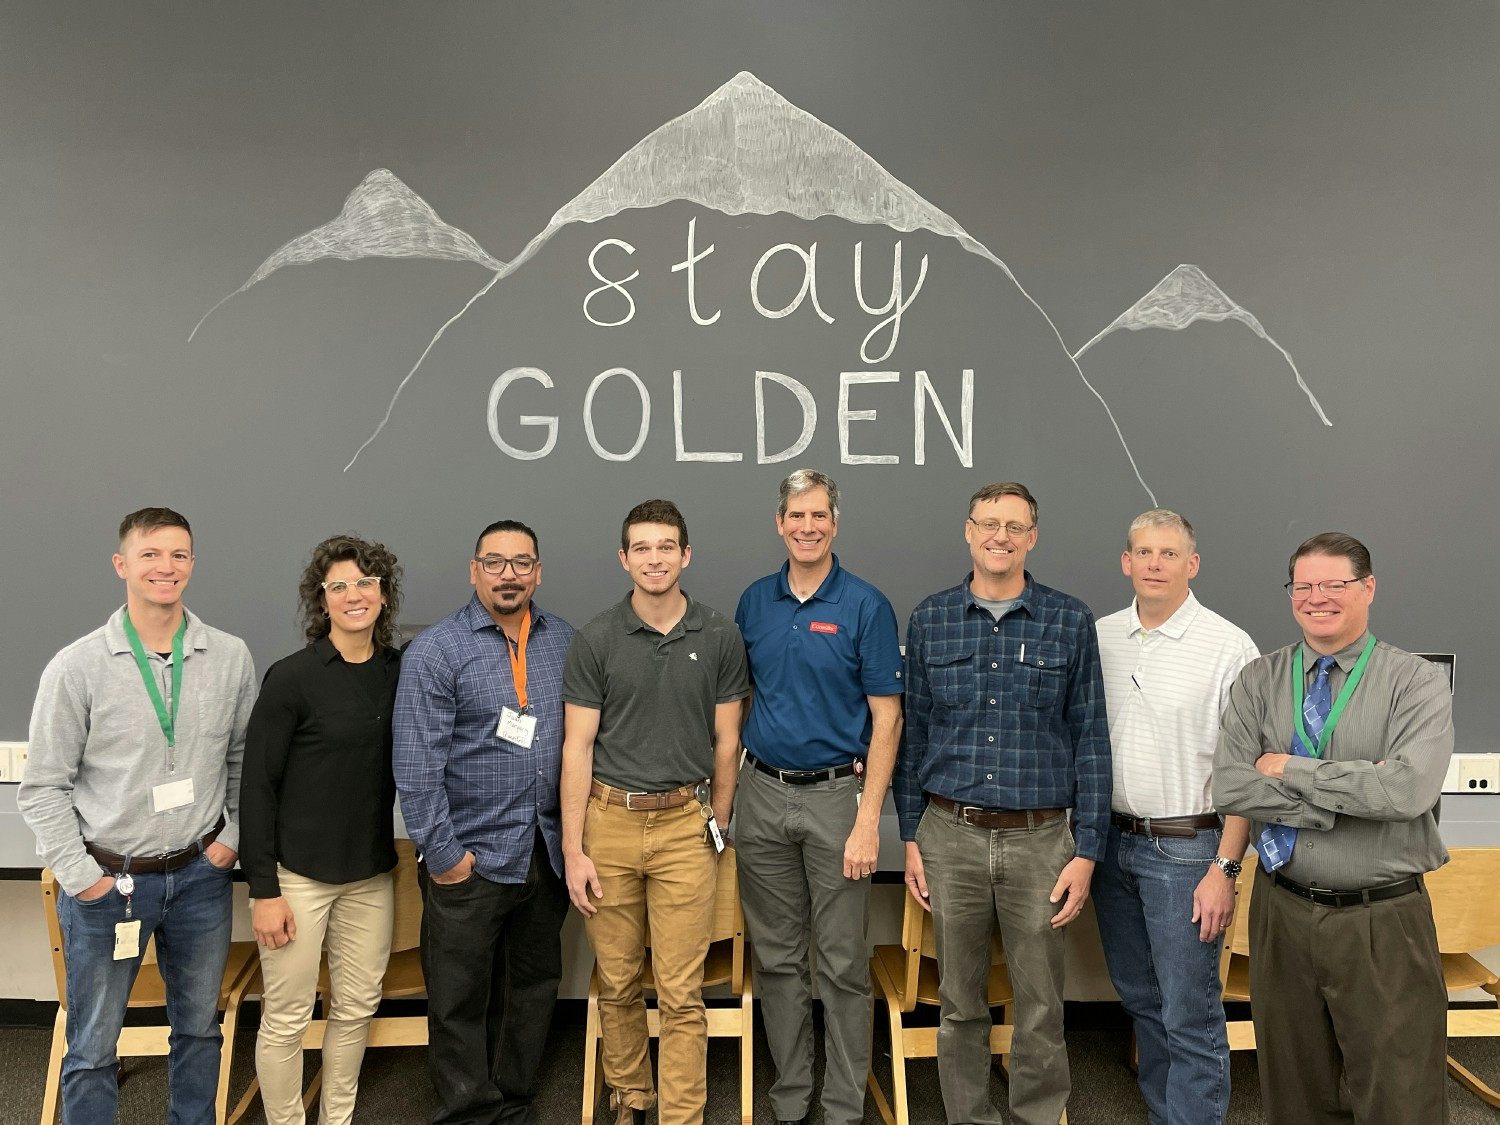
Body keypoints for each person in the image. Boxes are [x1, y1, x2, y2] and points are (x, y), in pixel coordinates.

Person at [19, 507, 256, 1124]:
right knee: (94, 1047)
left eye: (179, 555)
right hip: (110, 886)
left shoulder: (229, 657)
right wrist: (83, 879)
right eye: (151, 554)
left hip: (201, 878)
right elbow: (43, 785)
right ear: (122, 564)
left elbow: (244, 762)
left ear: (192, 565)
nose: (166, 567)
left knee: (199, 1031)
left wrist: (231, 839)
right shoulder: (77, 667)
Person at [1213, 533, 1453, 1125]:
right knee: (1293, 1094)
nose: (1317, 597)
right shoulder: (1258, 680)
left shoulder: (1415, 682)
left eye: (1334, 584)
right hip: (1282, 912)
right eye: (1304, 586)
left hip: (1381, 922)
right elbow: (1230, 789)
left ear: (1368, 588)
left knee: (1400, 1097)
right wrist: (1343, 794)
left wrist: (1293, 768)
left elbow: (1406, 791)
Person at [894, 481, 1110, 1125]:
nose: (1000, 536)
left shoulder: (1069, 619)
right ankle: (970, 1117)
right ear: (968, 530)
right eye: (989, 523)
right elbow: (914, 737)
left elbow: (1090, 736)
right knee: (959, 999)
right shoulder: (930, 618)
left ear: (1032, 538)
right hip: (947, 835)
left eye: (1014, 527)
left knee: (1041, 1001)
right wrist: (910, 835)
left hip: (1043, 841)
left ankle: (1038, 1115)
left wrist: (1089, 849)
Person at [560, 499, 749, 1125]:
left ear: (685, 554)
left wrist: (715, 823)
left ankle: (682, 1114)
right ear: (624, 559)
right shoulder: (596, 638)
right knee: (616, 983)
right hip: (608, 823)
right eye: (641, 548)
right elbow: (578, 747)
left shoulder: (719, 634)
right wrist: (573, 848)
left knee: (680, 991)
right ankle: (632, 1096)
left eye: (666, 546)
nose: (654, 558)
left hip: (684, 826)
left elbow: (729, 743)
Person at [733, 469, 903, 1125]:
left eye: (819, 515)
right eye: (796, 515)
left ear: (836, 522)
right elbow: (744, 699)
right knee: (776, 958)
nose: (808, 526)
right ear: (780, 523)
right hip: (763, 794)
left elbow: (887, 719)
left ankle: (840, 1103)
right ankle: (790, 1092)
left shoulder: (865, 605)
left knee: (840, 964)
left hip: (839, 800)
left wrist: (868, 822)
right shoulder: (754, 601)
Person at [394, 520, 574, 1125]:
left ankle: (515, 1100)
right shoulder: (437, 650)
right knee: (459, 999)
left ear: (538, 572)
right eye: (494, 563)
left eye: (521, 563)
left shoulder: (564, 642)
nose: (509, 575)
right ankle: (469, 1112)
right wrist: (444, 857)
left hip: (543, 853)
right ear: (474, 571)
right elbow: (416, 765)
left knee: (531, 987)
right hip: (468, 857)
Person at [1092, 510, 1259, 1125]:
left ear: (1192, 565)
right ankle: (1169, 1113)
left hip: (1190, 851)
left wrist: (1225, 866)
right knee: (1139, 998)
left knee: (1189, 1008)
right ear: (1126, 562)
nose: (1154, 564)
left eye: (1168, 554)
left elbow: (1244, 770)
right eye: (1143, 552)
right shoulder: (1101, 636)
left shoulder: (1228, 645)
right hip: (1111, 844)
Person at [239, 534, 404, 1125]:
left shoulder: (399, 672)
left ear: (383, 595)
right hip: (296, 878)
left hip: (369, 876)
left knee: (357, 1008)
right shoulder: (292, 678)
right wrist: (264, 890)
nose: (354, 595)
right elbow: (257, 788)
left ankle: (337, 1118)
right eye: (340, 586)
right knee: (286, 1017)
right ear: (322, 599)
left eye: (366, 583)